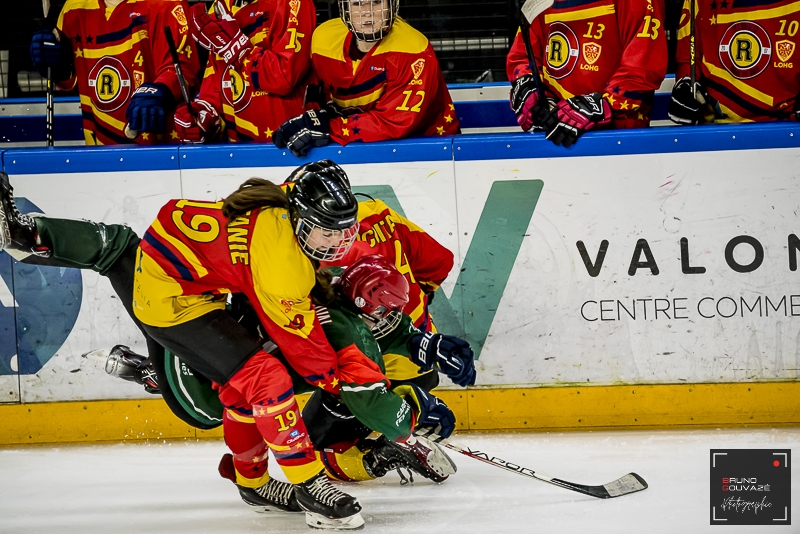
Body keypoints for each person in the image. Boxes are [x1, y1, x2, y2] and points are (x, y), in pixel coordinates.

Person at [0, 161, 366, 531]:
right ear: (302, 219)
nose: (336, 241)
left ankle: (25, 233)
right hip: (175, 304)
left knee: (117, 245)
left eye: (341, 231)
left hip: (159, 261)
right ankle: (308, 484)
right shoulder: (286, 269)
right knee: (262, 380)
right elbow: (305, 346)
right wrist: (345, 382)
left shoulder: (276, 199)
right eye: (326, 232)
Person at [272, 0, 460, 157]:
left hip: (428, 149)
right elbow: (313, 93)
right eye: (357, 4)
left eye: (376, 2)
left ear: (392, 5)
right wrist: (312, 119)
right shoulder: (322, 40)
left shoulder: (413, 51)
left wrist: (329, 128)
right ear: (345, 9)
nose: (367, 13)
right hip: (356, 144)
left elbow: (393, 123)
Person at [324, 196, 455, 386]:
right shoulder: (376, 212)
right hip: (421, 351)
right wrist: (418, 295)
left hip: (369, 371)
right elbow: (440, 261)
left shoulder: (317, 243)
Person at [30, 0, 201, 145]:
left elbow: (184, 70)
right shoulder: (73, 9)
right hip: (98, 156)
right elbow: (71, 78)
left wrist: (160, 91)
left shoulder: (166, 4)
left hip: (162, 154)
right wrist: (54, 64)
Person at [506, 0, 668, 147]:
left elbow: (643, 64)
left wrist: (603, 105)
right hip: (554, 134)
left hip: (619, 139)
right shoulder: (539, 3)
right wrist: (528, 88)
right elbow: (523, 55)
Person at [174, 0, 316, 143]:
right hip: (240, 150)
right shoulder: (222, 6)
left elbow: (285, 76)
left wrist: (236, 48)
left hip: (292, 145)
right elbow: (219, 80)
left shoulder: (293, 2)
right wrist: (205, 115)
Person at [669, 0, 800, 124]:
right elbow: (688, 58)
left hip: (787, 126)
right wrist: (686, 86)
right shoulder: (697, 2)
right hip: (714, 130)